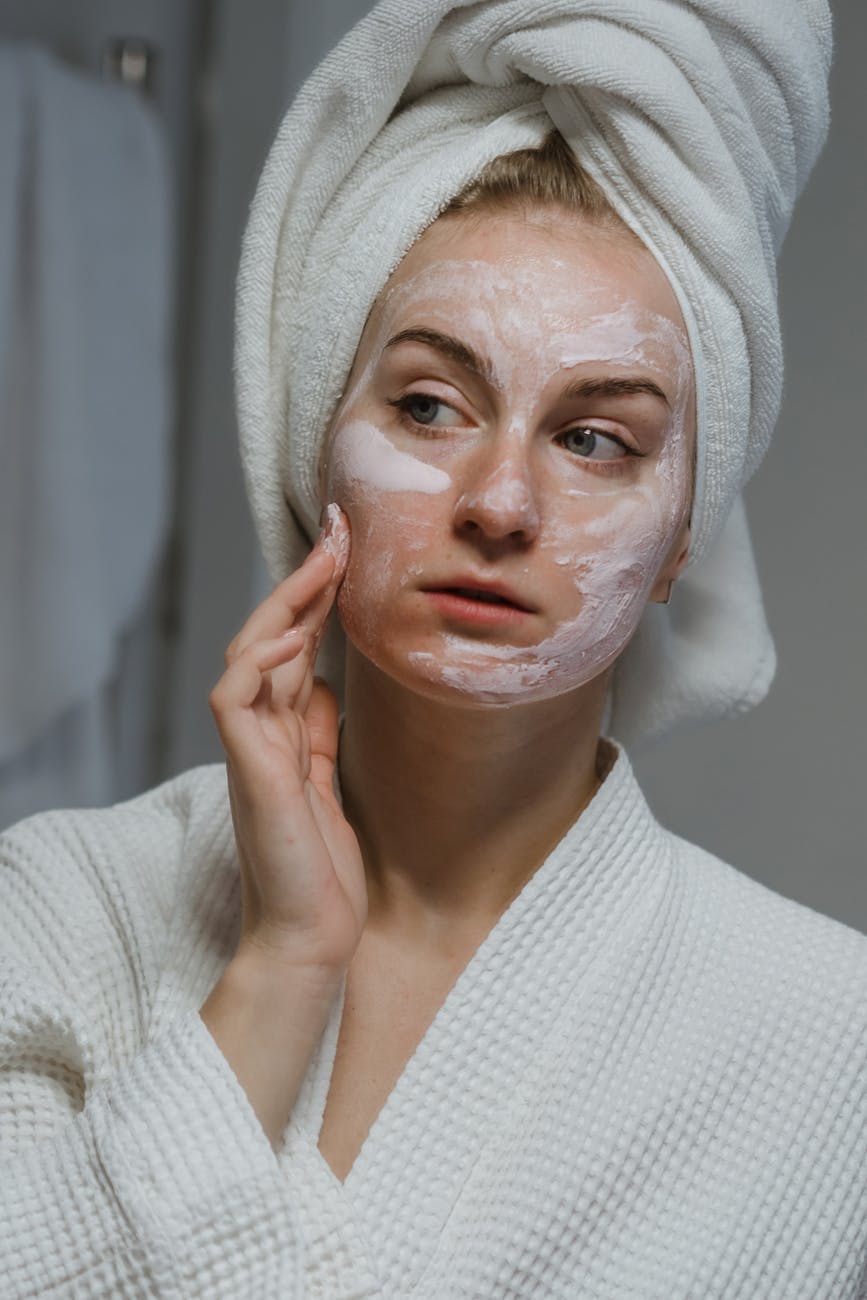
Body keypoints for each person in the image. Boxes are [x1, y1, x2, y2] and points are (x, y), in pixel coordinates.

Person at [2, 3, 866, 1298]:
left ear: (682, 534)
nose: (501, 504)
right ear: (317, 446)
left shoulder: (833, 1041)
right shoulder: (69, 907)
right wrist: (283, 965)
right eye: (428, 403)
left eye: (596, 439)